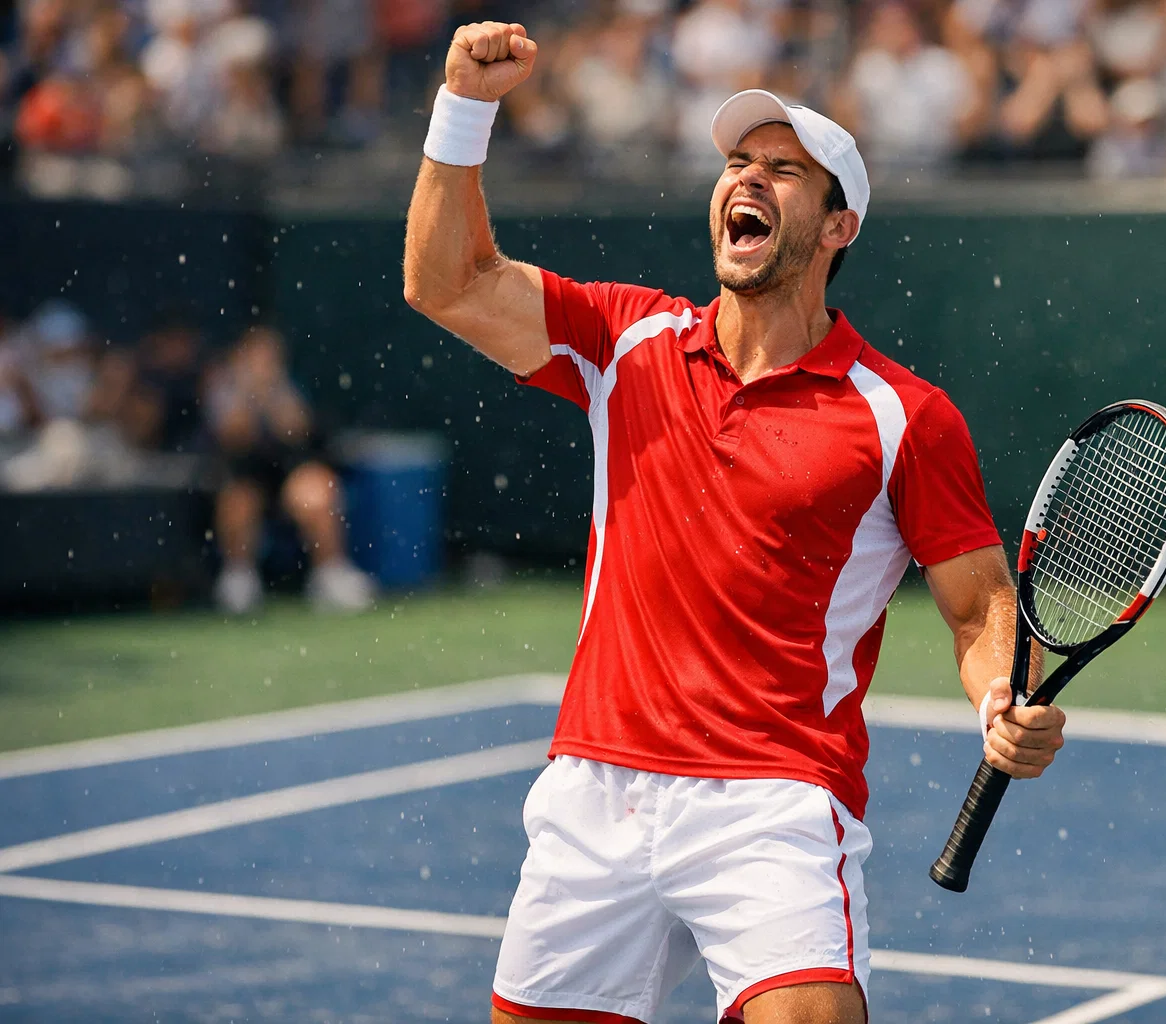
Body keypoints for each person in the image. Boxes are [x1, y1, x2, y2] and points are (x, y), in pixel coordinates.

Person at [403, 22, 1067, 1024]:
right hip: (598, 788)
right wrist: (464, 108)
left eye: (784, 170)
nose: (744, 179)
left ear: (837, 227)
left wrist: (997, 705)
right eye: (735, 163)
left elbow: (980, 608)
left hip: (776, 801)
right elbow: (443, 281)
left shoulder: (904, 416)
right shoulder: (627, 340)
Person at [207, 325, 376, 614]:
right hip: (246, 478)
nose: (264, 361)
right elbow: (233, 436)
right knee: (238, 501)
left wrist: (270, 394)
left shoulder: (292, 384)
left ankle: (330, 573)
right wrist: (250, 393)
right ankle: (240, 579)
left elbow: (296, 430)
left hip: (290, 473)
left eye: (270, 354)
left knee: (318, 489)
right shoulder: (223, 389)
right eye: (257, 354)